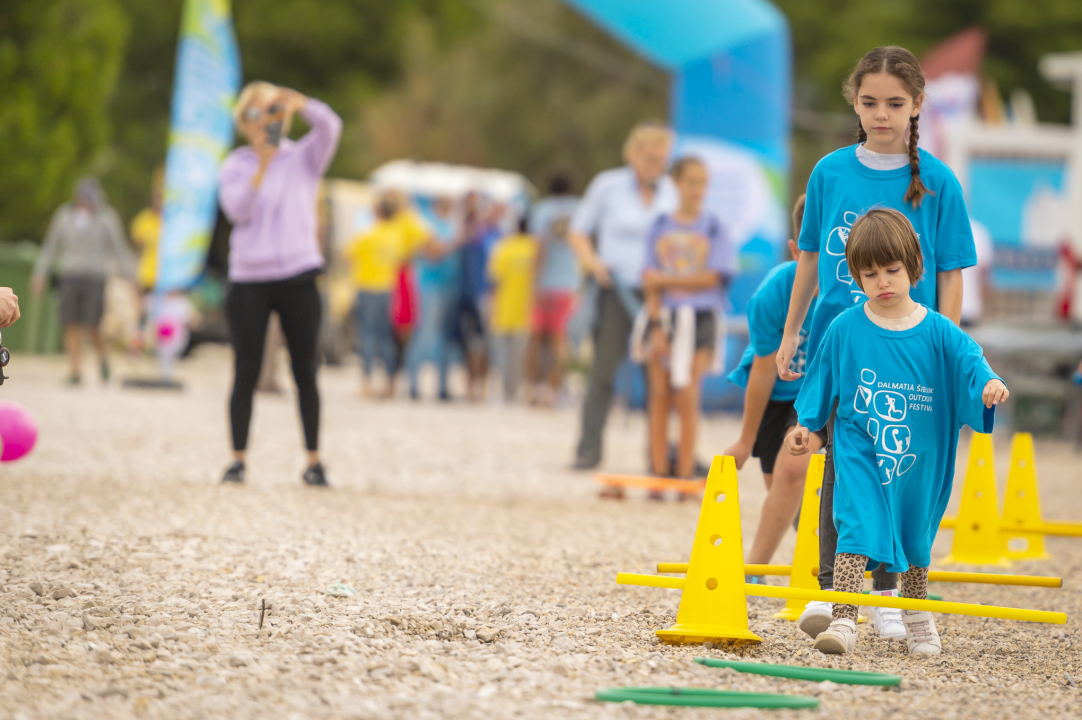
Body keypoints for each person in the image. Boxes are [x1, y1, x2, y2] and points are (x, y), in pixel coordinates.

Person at [774, 46, 978, 640]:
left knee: (904, 472)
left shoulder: (938, 181)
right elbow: (808, 259)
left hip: (915, 351)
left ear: (917, 104)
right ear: (853, 104)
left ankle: (893, 596)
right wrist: (794, 330)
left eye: (895, 103)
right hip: (845, 347)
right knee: (845, 467)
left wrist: (952, 348)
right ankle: (837, 595)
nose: (881, 113)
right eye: (869, 102)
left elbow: (952, 271)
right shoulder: (829, 172)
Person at [787, 208, 1008, 656]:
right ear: (856, 277)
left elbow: (971, 362)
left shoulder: (939, 330)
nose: (883, 282)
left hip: (919, 456)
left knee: (915, 535)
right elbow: (821, 381)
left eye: (892, 270)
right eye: (870, 274)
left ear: (914, 267)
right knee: (855, 527)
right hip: (860, 450)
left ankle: (916, 609)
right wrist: (807, 429)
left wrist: (988, 384)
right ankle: (845, 617)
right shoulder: (845, 327)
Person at [217, 81, 342, 487]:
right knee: (246, 369)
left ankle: (314, 459)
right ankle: (237, 459)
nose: (263, 121)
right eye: (254, 114)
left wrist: (300, 101)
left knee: (305, 369)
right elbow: (238, 209)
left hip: (298, 273)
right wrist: (263, 164)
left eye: (270, 112)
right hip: (250, 276)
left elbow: (331, 127)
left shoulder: (304, 158)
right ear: (243, 121)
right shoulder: (236, 164)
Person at [725, 195, 827, 575]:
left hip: (817, 394)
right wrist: (745, 440)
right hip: (776, 396)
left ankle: (752, 574)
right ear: (794, 250)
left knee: (791, 469)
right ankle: (821, 562)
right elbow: (763, 371)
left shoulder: (851, 295)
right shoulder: (773, 293)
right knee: (783, 489)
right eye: (810, 252)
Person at [568, 121, 678, 470]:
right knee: (603, 368)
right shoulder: (608, 185)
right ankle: (589, 448)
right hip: (614, 288)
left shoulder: (670, 192)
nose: (654, 165)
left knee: (659, 375)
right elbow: (578, 231)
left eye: (660, 159)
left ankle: (659, 455)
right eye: (648, 157)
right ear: (632, 155)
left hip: (657, 291)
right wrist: (591, 262)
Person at [639, 156, 736, 493]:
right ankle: (657, 471)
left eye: (702, 182)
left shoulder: (714, 226)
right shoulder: (661, 224)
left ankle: (682, 472)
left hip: (701, 317)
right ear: (676, 183)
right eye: (691, 181)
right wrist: (654, 322)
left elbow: (715, 276)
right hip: (663, 316)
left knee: (687, 392)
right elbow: (647, 280)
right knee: (660, 393)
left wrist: (666, 279)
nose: (697, 189)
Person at [31, 177, 136, 385]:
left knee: (93, 324)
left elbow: (119, 249)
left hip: (95, 277)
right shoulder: (64, 217)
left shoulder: (107, 218)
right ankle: (75, 370)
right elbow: (51, 247)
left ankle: (102, 359)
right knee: (69, 323)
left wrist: (131, 277)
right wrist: (40, 274)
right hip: (70, 275)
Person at [343, 193, 433, 399]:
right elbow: (410, 255)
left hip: (366, 288)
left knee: (366, 335)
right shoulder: (397, 237)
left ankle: (366, 383)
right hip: (389, 290)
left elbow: (347, 256)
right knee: (386, 337)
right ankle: (390, 382)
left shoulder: (367, 235)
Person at [526, 174, 580, 407]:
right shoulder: (579, 209)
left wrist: (534, 279)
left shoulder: (542, 210)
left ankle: (532, 389)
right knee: (560, 340)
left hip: (545, 283)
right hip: (568, 282)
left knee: (536, 338)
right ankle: (553, 390)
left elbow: (540, 245)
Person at [407, 196, 462, 402]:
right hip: (429, 286)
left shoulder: (451, 224)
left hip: (449, 285)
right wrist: (454, 243)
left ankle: (442, 386)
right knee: (425, 335)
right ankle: (414, 384)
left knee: (445, 339)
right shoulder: (426, 223)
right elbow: (431, 252)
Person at [487, 216, 539, 402]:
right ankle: (516, 389)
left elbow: (495, 277)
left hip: (505, 305)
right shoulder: (535, 247)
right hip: (528, 306)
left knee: (503, 352)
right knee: (520, 353)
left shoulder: (504, 247)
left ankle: (505, 389)